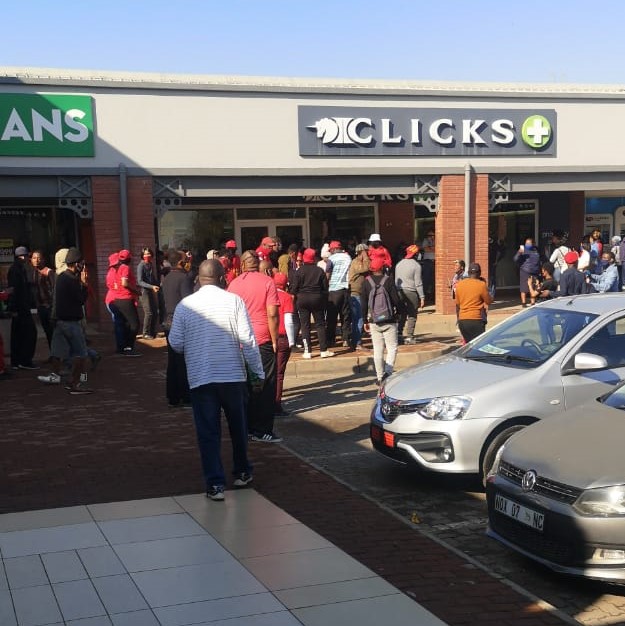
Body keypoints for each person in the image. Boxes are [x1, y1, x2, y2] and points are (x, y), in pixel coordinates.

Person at [168, 259, 264, 501]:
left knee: (208, 432)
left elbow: (176, 343)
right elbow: (248, 340)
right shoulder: (234, 301)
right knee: (238, 427)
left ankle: (215, 485)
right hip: (232, 376)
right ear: (222, 278)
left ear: (198, 279)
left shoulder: (185, 306)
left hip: (201, 377)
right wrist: (258, 374)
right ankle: (242, 471)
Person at [228, 250, 282, 442]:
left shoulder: (233, 285)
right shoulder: (267, 282)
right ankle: (262, 429)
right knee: (265, 385)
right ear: (258, 264)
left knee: (244, 385)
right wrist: (275, 339)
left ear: (242, 265)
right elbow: (273, 313)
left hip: (239, 342)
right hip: (261, 339)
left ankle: (246, 427)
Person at [37, 248, 93, 394]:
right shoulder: (72, 279)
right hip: (71, 323)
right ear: (75, 264)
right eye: (81, 263)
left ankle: (56, 375)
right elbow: (80, 300)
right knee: (81, 355)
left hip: (59, 322)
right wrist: (85, 285)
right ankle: (77, 383)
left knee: (57, 351)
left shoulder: (61, 277)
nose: (83, 266)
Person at [361, 257, 402, 385]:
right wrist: (400, 313)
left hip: (374, 320)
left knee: (377, 349)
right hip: (389, 319)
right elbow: (396, 300)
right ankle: (388, 373)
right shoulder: (388, 281)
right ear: (383, 268)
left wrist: (364, 320)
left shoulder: (366, 282)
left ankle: (379, 377)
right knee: (392, 348)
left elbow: (363, 303)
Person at [161, 249, 193, 408]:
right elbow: (188, 303)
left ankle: (173, 395)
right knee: (183, 361)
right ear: (181, 263)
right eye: (186, 259)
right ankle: (185, 395)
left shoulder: (166, 278)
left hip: (168, 322)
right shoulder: (183, 278)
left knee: (173, 360)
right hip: (180, 322)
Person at [290, 247, 334, 359]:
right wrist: (323, 298)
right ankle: (323, 350)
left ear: (304, 258)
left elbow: (294, 288)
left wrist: (295, 297)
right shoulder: (319, 271)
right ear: (314, 259)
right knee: (320, 324)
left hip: (302, 299)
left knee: (305, 325)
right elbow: (325, 287)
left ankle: (307, 351)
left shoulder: (299, 271)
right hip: (317, 298)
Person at [7, 246, 38, 370]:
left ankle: (17, 361)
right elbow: (14, 290)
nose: (26, 258)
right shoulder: (17, 270)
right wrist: (14, 308)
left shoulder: (17, 269)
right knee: (29, 333)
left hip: (19, 307)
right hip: (20, 307)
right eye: (25, 256)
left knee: (18, 334)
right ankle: (25, 361)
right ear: (21, 256)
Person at [273, 272, 295, 417]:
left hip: (268, 336)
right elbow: (289, 321)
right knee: (279, 374)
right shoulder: (287, 297)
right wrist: (292, 340)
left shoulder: (268, 295)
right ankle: (276, 405)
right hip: (282, 338)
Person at [454, 263, 493, 343]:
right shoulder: (481, 285)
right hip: (476, 320)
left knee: (469, 345)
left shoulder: (460, 284)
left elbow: (457, 303)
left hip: (463, 320)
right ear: (479, 273)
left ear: (468, 273)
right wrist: (491, 294)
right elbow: (488, 301)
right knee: (479, 345)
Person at [394, 244, 425, 344]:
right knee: (412, 314)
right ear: (415, 254)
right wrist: (422, 297)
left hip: (399, 291)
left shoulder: (399, 264)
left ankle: (399, 333)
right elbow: (418, 283)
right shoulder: (416, 266)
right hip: (411, 292)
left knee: (402, 313)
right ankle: (409, 336)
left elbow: (396, 281)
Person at [113, 249, 142, 356]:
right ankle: (129, 348)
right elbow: (124, 283)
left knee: (126, 324)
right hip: (125, 299)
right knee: (135, 324)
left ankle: (123, 347)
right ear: (129, 258)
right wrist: (136, 291)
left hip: (118, 299)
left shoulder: (118, 268)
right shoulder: (125, 268)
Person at [325, 240, 352, 348]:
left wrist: (325, 285)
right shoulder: (348, 257)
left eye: (331, 250)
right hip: (345, 289)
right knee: (345, 316)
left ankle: (331, 340)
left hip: (333, 290)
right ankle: (346, 339)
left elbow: (327, 273)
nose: (330, 252)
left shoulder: (331, 259)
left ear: (334, 249)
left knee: (331, 317)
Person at [30, 250, 55, 350]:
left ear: (43, 259)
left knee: (52, 331)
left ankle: (57, 356)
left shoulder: (49, 272)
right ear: (31, 260)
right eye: (34, 258)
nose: (36, 260)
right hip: (40, 307)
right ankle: (53, 355)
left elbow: (54, 289)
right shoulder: (34, 272)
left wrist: (52, 305)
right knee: (47, 331)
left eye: (39, 258)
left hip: (49, 307)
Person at [348, 243, 370, 350]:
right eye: (366, 252)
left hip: (360, 293)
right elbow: (365, 268)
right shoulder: (356, 262)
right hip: (355, 294)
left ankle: (355, 341)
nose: (368, 254)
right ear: (362, 252)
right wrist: (365, 258)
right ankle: (357, 343)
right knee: (359, 318)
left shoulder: (359, 262)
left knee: (358, 318)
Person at [136, 247, 160, 339]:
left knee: (155, 312)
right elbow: (139, 281)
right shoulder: (141, 266)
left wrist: (158, 284)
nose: (147, 255)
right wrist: (151, 286)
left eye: (149, 253)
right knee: (149, 312)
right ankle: (145, 333)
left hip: (150, 290)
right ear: (142, 255)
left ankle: (152, 331)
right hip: (144, 291)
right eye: (145, 254)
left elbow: (152, 278)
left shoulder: (150, 264)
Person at [104, 252, 125, 354]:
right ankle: (121, 347)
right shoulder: (113, 273)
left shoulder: (111, 272)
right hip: (114, 301)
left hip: (112, 300)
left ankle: (121, 345)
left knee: (118, 323)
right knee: (119, 323)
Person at [513, 237, 540, 306]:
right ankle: (523, 302)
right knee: (524, 287)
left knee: (533, 286)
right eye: (526, 243)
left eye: (529, 243)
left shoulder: (536, 250)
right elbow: (515, 259)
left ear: (533, 243)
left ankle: (532, 302)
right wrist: (519, 252)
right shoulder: (523, 249)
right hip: (525, 270)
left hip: (535, 271)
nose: (527, 244)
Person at [420, 229, 435, 298]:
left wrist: (430, 248)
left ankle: (433, 295)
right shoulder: (425, 240)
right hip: (427, 262)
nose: (431, 236)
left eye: (432, 235)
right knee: (426, 279)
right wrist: (433, 248)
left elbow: (438, 248)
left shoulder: (437, 240)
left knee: (433, 279)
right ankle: (424, 295)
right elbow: (426, 249)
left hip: (435, 262)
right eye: (429, 235)